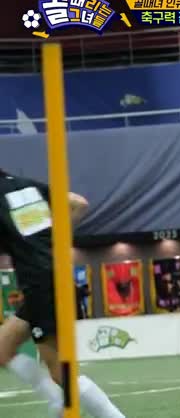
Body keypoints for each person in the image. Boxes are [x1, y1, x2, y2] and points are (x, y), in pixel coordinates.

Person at [0, 167, 126, 418]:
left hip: (39, 282)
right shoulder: (25, 185)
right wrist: (53, 239)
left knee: (61, 373)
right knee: (3, 348)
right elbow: (79, 203)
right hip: (52, 274)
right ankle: (57, 400)